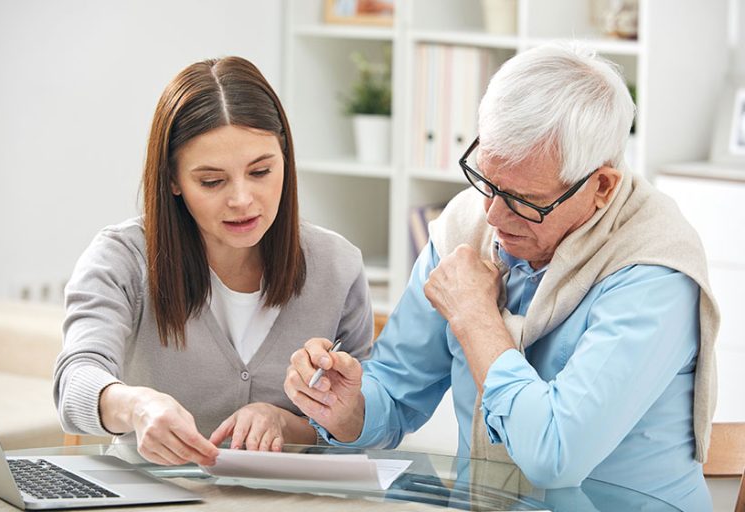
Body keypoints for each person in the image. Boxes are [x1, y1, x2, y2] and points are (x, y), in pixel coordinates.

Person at [284, 42, 719, 511]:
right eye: (488, 182)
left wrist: (476, 318)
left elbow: (555, 456)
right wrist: (348, 408)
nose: (493, 215)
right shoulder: (465, 227)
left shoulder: (654, 273)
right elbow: (394, 391)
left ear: (602, 186)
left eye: (525, 201)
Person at [53, 56, 373, 467]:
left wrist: (284, 423)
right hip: (154, 493)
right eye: (212, 181)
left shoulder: (338, 266)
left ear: (285, 159)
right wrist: (136, 407)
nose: (241, 199)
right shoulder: (122, 259)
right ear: (173, 179)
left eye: (260, 171)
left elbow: (361, 424)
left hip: (290, 497)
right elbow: (75, 382)